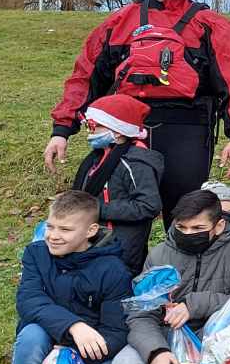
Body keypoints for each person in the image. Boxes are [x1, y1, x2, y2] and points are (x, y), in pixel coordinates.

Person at [45, 0, 230, 226]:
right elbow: (85, 76)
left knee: (184, 219)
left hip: (187, 132)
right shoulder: (120, 21)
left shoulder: (210, 25)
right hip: (126, 131)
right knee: (121, 218)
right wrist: (62, 130)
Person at [6, 191, 134, 364]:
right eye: (50, 226)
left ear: (91, 231)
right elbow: (29, 300)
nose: (53, 235)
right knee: (30, 334)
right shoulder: (36, 254)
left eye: (65, 229)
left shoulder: (113, 270)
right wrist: (73, 325)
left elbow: (116, 332)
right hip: (46, 340)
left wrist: (68, 357)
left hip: (88, 353)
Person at [108, 190, 230, 364]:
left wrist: (192, 305)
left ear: (219, 226)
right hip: (168, 333)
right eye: (181, 227)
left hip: (213, 333)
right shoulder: (160, 254)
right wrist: (156, 352)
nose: (188, 234)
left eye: (198, 228)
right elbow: (141, 313)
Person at [69, 94, 164, 274]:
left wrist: (97, 209)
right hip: (94, 240)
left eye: (94, 125)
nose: (90, 131)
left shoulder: (136, 163)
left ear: (118, 131)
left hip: (120, 248)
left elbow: (148, 206)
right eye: (88, 125)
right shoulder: (97, 157)